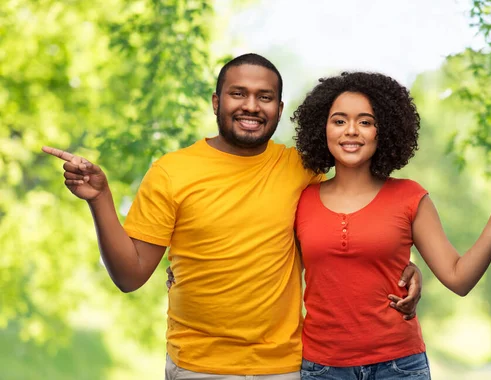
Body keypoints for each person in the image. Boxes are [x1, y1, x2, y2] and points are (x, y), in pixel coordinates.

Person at [42, 54, 424, 379]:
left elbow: (353, 224)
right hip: (197, 366)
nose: (252, 106)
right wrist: (101, 199)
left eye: (265, 97)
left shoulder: (302, 168)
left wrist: (402, 266)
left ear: (279, 106)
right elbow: (130, 276)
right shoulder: (172, 171)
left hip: (285, 367)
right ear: (215, 101)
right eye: (238, 94)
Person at [292, 71, 491, 379]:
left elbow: (459, 279)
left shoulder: (409, 196)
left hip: (398, 366)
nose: (351, 131)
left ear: (385, 130)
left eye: (365, 122)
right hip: (321, 368)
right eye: (339, 121)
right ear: (321, 128)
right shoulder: (303, 199)